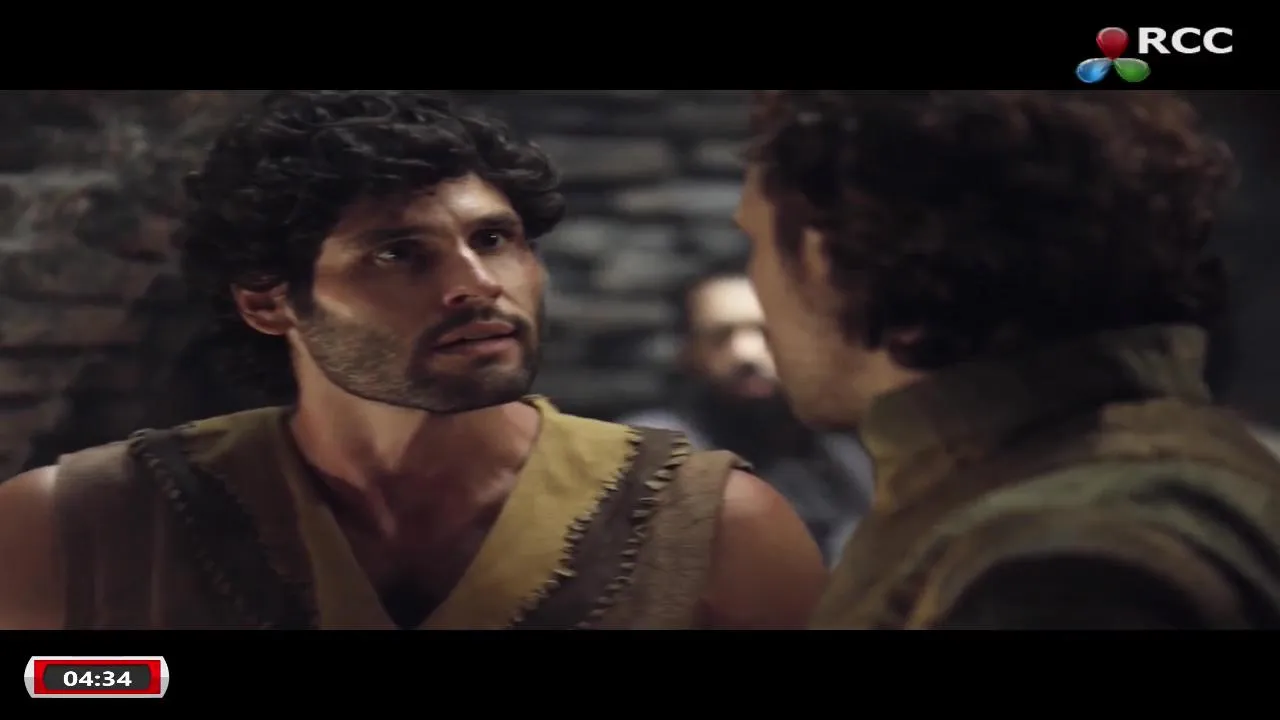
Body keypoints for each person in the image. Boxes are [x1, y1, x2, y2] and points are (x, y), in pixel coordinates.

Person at [0, 90, 826, 630]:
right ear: (268, 302)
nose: (476, 285)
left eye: (494, 239)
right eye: (397, 253)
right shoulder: (75, 525)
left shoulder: (715, 527)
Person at [734, 90, 1280, 629]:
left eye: (754, 244)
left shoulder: (1057, 565)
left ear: (823, 254)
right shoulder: (1057, 479)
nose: (756, 289)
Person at [619, 263, 873, 564]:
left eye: (765, 331)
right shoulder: (656, 453)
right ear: (689, 351)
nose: (745, 353)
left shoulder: (848, 448)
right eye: (719, 336)